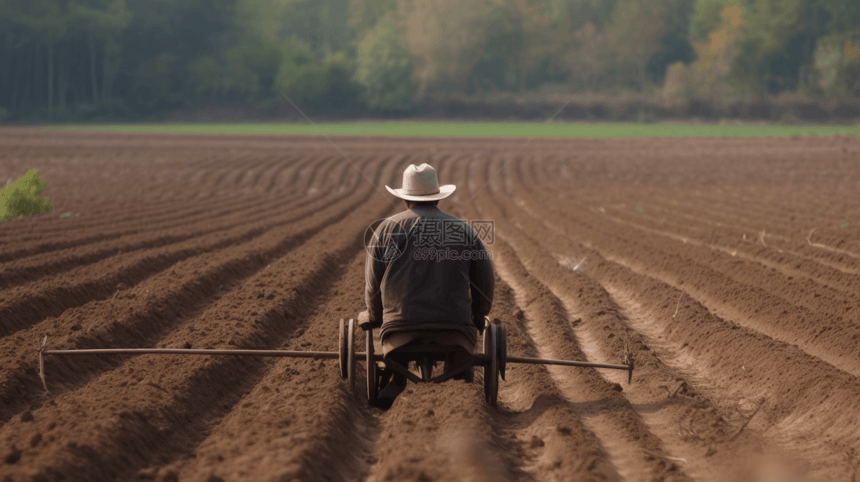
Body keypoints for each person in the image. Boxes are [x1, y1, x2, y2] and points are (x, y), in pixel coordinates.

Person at [361, 163, 494, 408]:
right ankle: (458, 383)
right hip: (455, 332)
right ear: (437, 198)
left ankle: (395, 381)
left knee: (392, 366)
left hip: (398, 333)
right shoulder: (464, 231)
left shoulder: (386, 229)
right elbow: (484, 283)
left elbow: (372, 285)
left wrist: (376, 316)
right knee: (460, 382)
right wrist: (478, 316)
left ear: (405, 199)